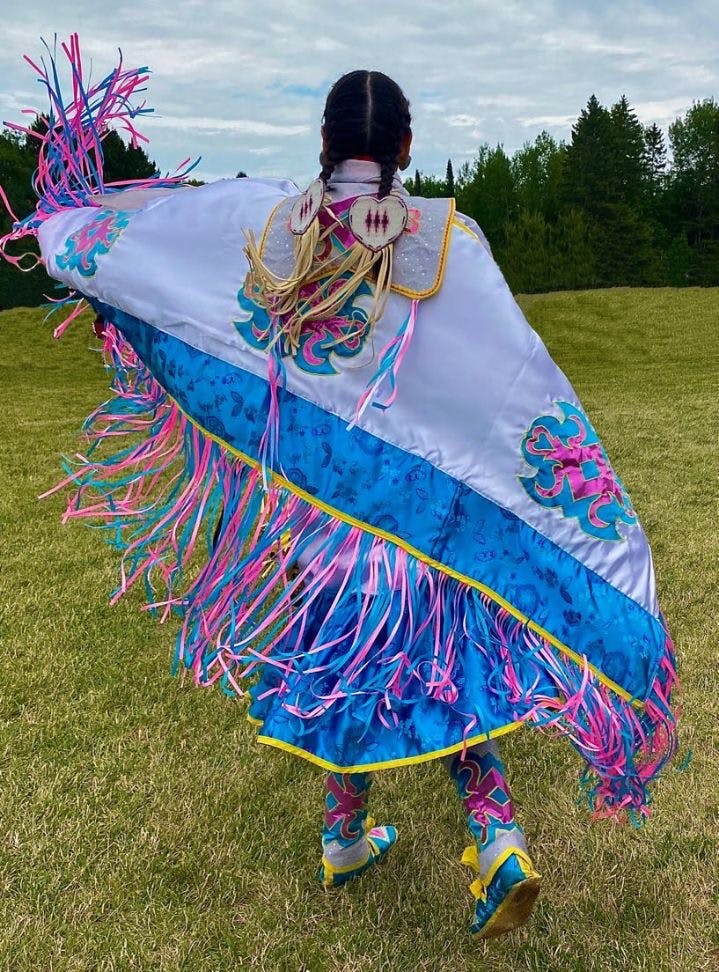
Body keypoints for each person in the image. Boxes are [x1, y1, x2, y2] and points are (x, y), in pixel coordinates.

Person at [1, 40, 678, 941]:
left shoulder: (270, 228)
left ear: (326, 140)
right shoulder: (452, 243)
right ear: (404, 144)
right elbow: (508, 381)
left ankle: (344, 838)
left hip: (317, 520)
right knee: (446, 666)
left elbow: (174, 255)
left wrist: (71, 231)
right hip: (417, 522)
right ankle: (495, 836)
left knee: (342, 674)